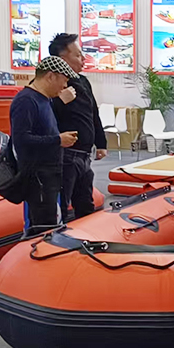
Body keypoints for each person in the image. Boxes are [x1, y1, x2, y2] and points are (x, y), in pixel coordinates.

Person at [9, 56, 79, 231]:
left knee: (52, 223)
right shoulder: (26, 101)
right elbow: (21, 140)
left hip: (50, 177)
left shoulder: (45, 100)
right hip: (37, 179)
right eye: (64, 80)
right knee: (41, 227)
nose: (65, 86)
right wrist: (58, 140)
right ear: (50, 76)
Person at [49, 33, 108, 220]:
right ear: (62, 58)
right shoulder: (52, 84)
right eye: (77, 55)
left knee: (85, 203)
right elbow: (42, 114)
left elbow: (93, 113)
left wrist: (101, 142)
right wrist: (59, 100)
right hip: (65, 155)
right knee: (62, 204)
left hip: (84, 154)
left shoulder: (83, 81)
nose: (83, 59)